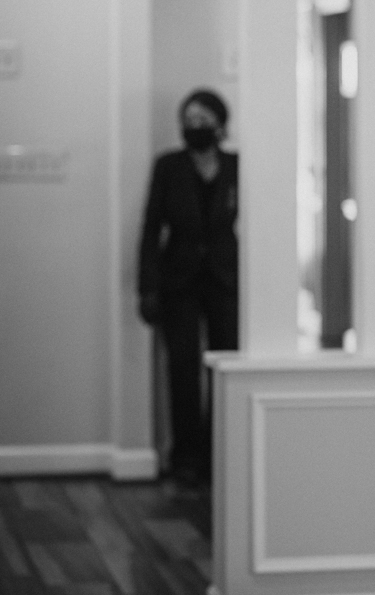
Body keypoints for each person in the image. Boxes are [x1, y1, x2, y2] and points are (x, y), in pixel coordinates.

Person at [138, 88, 239, 487]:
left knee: (224, 364)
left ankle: (221, 452)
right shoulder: (168, 166)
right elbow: (150, 229)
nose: (194, 126)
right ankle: (185, 456)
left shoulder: (236, 166)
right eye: (188, 119)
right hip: (177, 281)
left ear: (219, 124)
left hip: (225, 280)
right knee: (181, 367)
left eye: (202, 119)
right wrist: (147, 288)